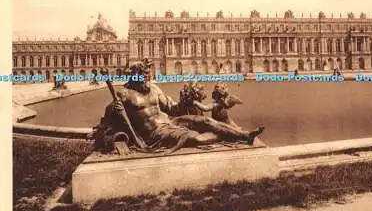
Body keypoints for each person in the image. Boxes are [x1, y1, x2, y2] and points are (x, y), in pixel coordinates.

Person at [109, 59, 264, 154]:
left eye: (148, 76)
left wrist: (185, 101)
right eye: (144, 77)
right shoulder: (124, 94)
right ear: (135, 77)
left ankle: (244, 136)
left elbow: (173, 109)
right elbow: (109, 119)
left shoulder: (154, 89)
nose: (148, 80)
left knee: (205, 122)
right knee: (195, 138)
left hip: (170, 122)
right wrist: (113, 110)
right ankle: (229, 135)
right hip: (155, 133)